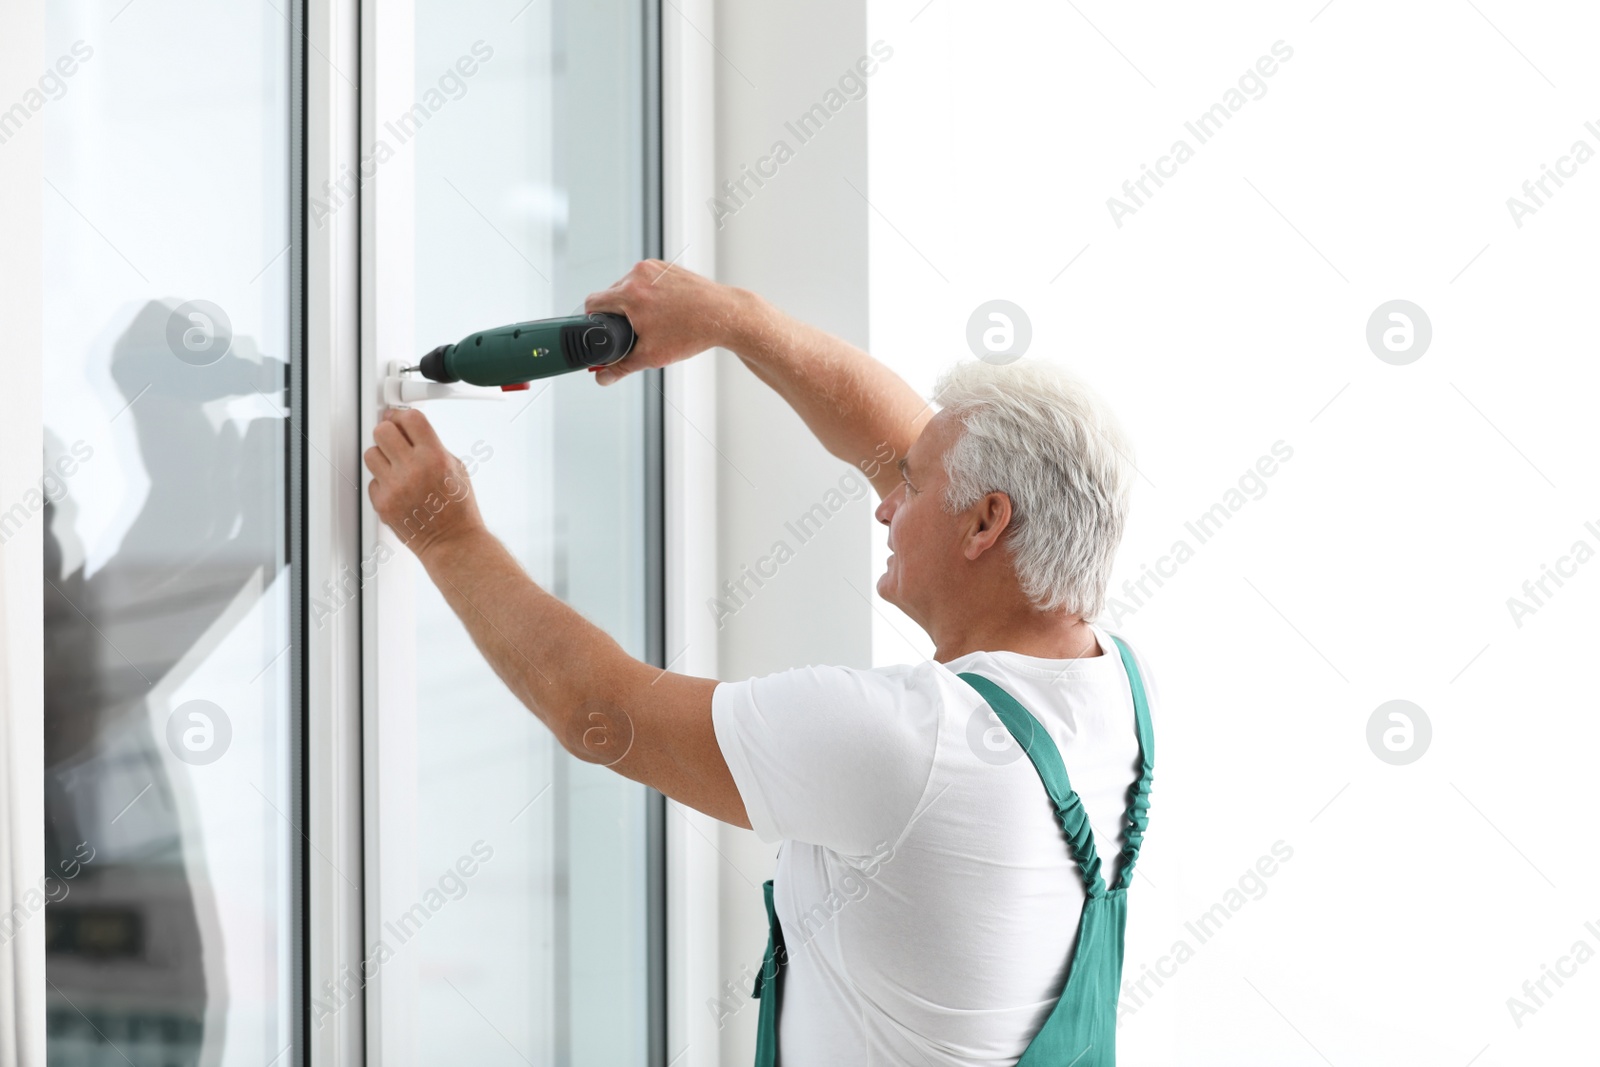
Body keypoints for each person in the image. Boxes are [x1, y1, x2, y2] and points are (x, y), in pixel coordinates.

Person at [364, 260, 1158, 1066]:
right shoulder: (1116, 687)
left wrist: (447, 534)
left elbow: (597, 709)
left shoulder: (909, 743)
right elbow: (904, 444)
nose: (887, 501)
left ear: (986, 523)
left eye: (910, 488)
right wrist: (728, 319)